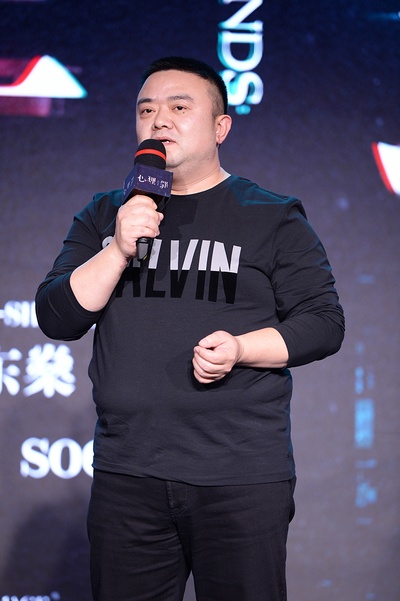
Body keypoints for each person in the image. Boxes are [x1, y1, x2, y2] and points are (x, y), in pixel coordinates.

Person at [36, 56, 345, 601]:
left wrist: (241, 348)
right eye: (146, 110)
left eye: (180, 107)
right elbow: (56, 317)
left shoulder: (271, 215)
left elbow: (323, 323)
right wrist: (118, 248)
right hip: (128, 475)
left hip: (240, 476)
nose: (159, 120)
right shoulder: (106, 214)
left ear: (220, 127)